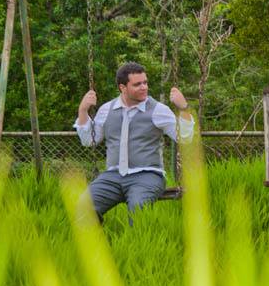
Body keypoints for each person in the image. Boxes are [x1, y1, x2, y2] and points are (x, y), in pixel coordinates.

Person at [74, 62, 195, 224]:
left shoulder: (158, 110)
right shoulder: (106, 110)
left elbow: (185, 139)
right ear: (122, 87)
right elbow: (89, 141)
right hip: (113, 176)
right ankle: (98, 246)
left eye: (145, 82)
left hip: (147, 176)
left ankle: (137, 247)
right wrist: (83, 111)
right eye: (137, 84)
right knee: (83, 207)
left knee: (138, 212)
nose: (144, 87)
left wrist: (184, 108)